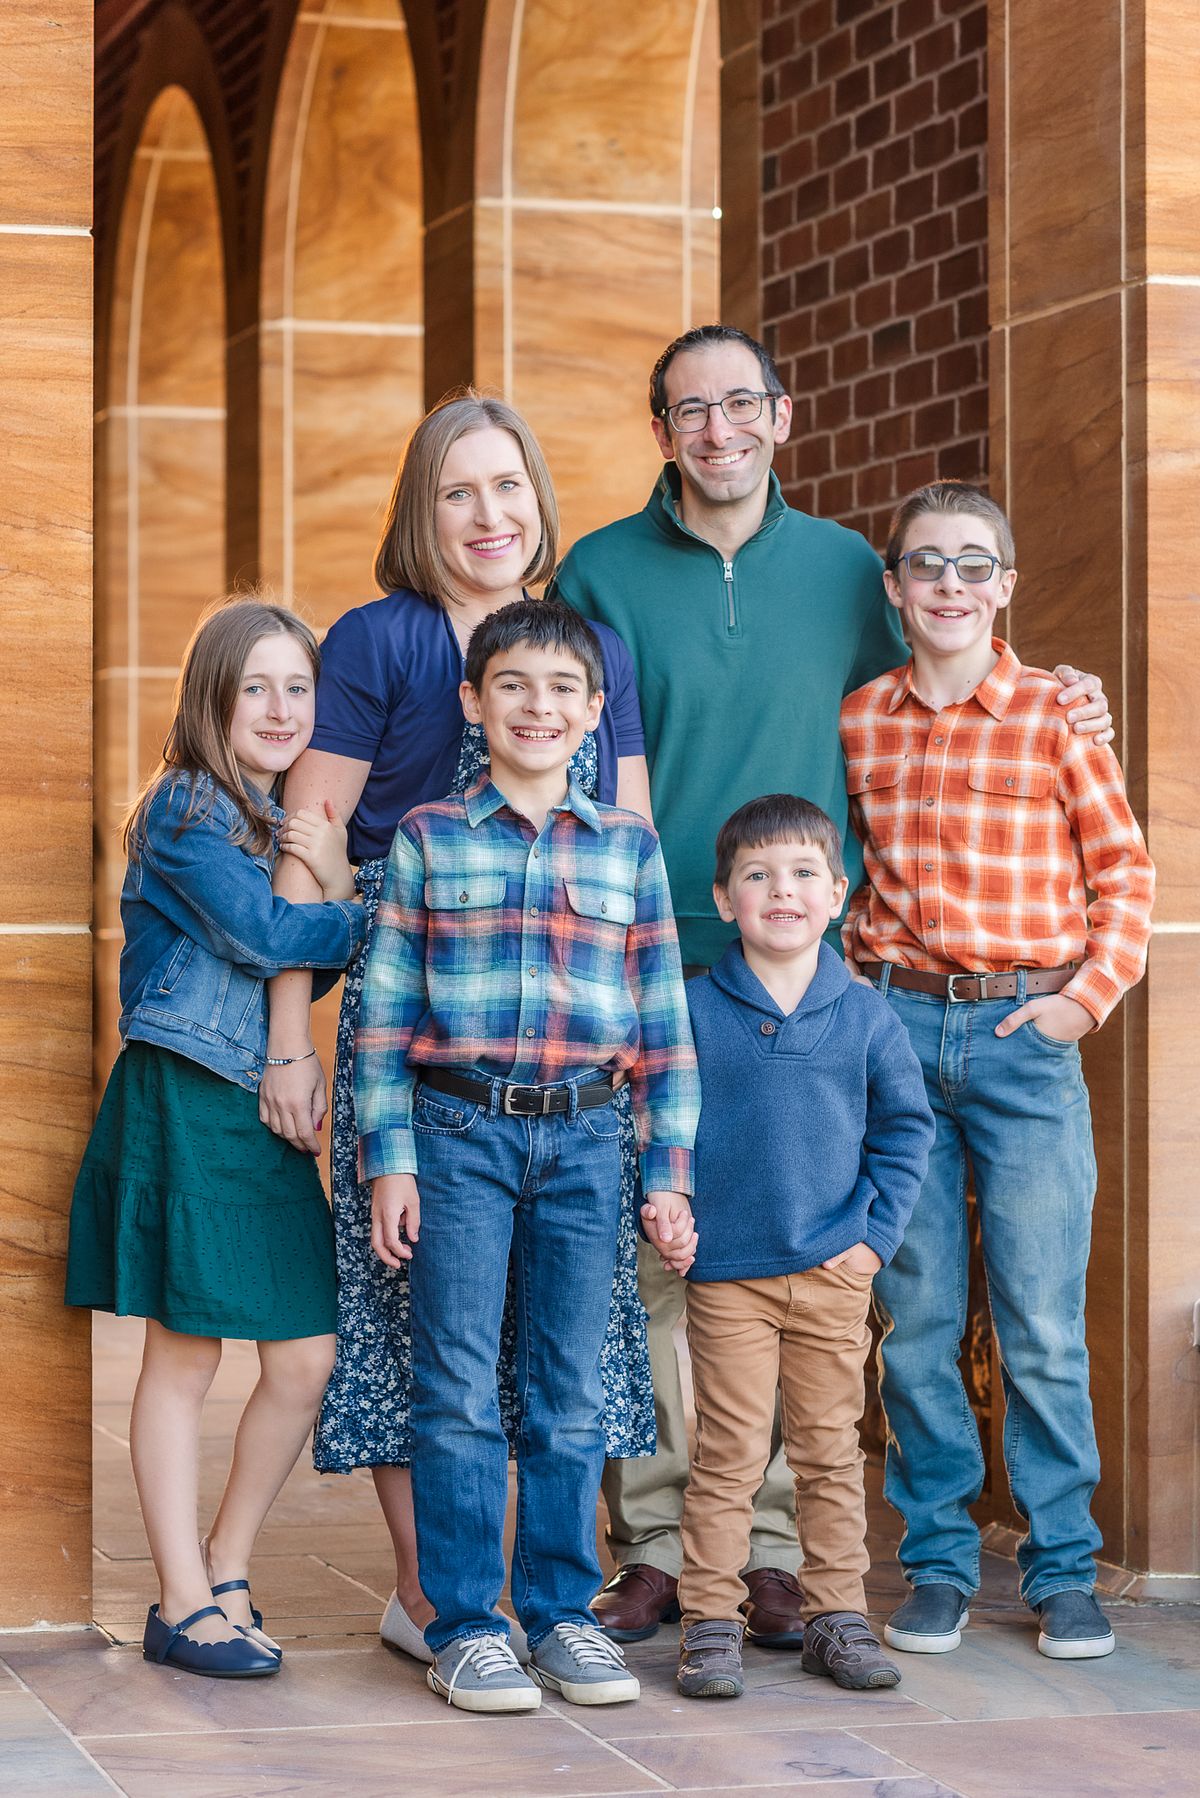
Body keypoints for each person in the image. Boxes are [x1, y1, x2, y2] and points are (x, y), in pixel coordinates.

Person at [554, 322, 1116, 1646]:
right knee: (657, 1262)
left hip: (809, 972)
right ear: (661, 432)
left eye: (741, 403)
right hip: (649, 960)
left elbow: (950, 661)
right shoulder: (600, 570)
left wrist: (1059, 691)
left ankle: (765, 1555)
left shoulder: (849, 571)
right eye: (691, 410)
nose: (718, 430)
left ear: (782, 416)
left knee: (791, 1256)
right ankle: (653, 1542)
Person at [259, 394, 657, 1664]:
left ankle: (548, 1591)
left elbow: (630, 839)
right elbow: (308, 854)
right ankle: (435, 1593)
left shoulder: (593, 646)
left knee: (554, 1327)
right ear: (420, 512)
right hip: (417, 1001)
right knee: (412, 1312)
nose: (490, 515)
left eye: (509, 487)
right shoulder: (379, 642)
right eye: (458, 492)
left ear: (541, 496)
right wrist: (289, 1040)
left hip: (569, 1028)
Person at [355, 598, 700, 1713]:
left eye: (562, 690)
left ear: (596, 714)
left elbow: (662, 1026)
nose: (537, 707)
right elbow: (383, 1021)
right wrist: (390, 1160)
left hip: (590, 1136)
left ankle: (558, 1613)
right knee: (453, 1380)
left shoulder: (631, 849)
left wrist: (669, 1171)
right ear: (474, 702)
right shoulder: (428, 838)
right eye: (513, 686)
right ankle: (465, 1622)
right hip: (458, 1133)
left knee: (568, 1385)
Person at [839, 481, 1154, 1661]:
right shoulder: (860, 719)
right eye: (930, 566)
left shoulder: (1059, 717)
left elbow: (1124, 875)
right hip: (903, 1036)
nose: (953, 586)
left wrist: (1081, 1003)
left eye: (977, 566)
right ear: (896, 588)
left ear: (1006, 586)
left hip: (1026, 1036)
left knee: (1042, 1322)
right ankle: (936, 1562)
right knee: (913, 1320)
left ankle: (1065, 1567)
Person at [65, 599, 368, 1679]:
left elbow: (298, 962)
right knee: (186, 1353)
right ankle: (181, 1601)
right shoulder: (188, 808)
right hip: (191, 1095)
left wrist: (325, 887)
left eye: (300, 688)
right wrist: (353, 897)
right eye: (258, 688)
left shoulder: (273, 820)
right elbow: (270, 937)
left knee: (305, 1356)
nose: (283, 708)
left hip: (259, 1108)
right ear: (213, 699)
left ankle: (225, 1562)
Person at [673, 794, 934, 1699]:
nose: (781, 890)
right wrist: (665, 1204)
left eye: (802, 874)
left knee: (828, 1451)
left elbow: (906, 1133)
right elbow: (660, 1121)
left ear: (838, 896)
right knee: (731, 1453)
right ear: (723, 897)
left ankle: (837, 1616)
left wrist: (872, 1240)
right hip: (729, 1275)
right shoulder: (694, 1010)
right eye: (758, 875)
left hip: (833, 1271)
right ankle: (709, 1621)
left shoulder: (865, 1017)